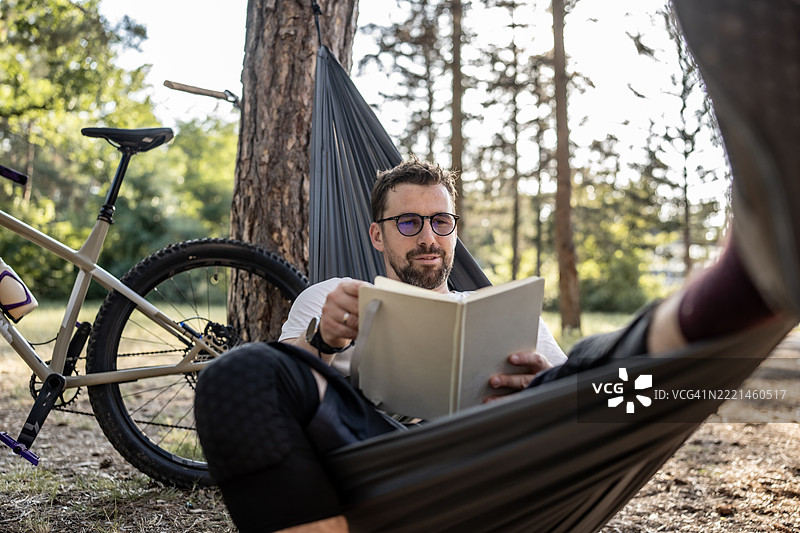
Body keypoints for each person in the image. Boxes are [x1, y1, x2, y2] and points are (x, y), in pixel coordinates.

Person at [195, 0, 800, 531]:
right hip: (373, 468)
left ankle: (742, 293)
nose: (428, 236)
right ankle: (744, 285)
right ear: (377, 236)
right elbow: (281, 406)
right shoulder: (330, 299)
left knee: (595, 385)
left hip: (490, 475)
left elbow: (592, 405)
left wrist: (538, 388)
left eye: (441, 221)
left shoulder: (502, 318)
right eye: (409, 223)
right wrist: (321, 342)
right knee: (239, 376)